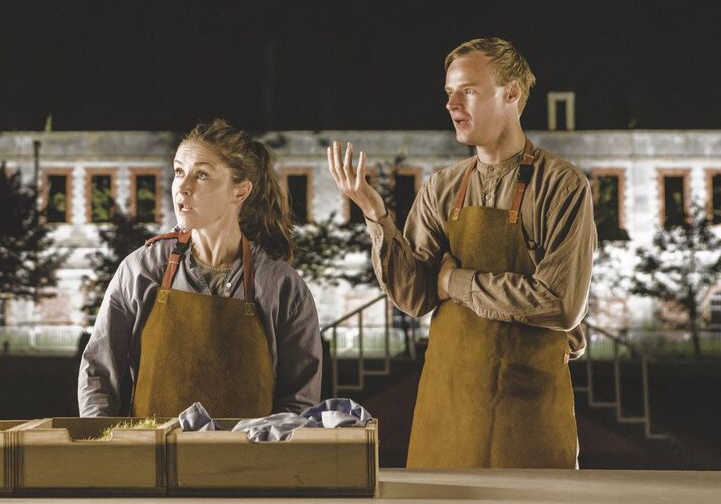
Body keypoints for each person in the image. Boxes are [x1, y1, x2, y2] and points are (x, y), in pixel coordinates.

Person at [328, 37, 595, 469]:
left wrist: (456, 281)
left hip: (529, 406)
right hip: (449, 399)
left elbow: (561, 305)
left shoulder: (562, 186)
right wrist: (376, 214)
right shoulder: (442, 187)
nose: (452, 103)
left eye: (468, 89)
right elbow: (415, 297)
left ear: (511, 94)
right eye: (449, 92)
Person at [79, 119, 323, 418]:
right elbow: (98, 374)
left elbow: (299, 400)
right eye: (179, 171)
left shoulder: (281, 286)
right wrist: (109, 452)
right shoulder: (142, 269)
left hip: (248, 462)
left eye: (202, 175)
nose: (182, 186)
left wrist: (267, 456)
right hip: (152, 460)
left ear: (240, 191)